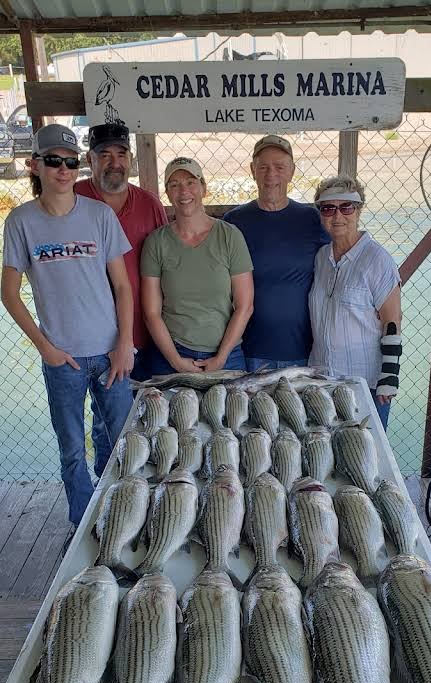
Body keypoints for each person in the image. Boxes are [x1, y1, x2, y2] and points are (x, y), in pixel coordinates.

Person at [1, 124, 134, 526]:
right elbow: (9, 293)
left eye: (71, 162)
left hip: (110, 352)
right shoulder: (21, 222)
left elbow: (123, 286)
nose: (63, 169)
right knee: (72, 448)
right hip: (63, 360)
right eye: (54, 161)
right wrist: (46, 348)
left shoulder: (100, 215)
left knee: (121, 444)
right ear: (34, 165)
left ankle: (121, 518)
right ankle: (83, 525)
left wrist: (124, 342)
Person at [140, 157, 254, 376]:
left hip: (226, 354)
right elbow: (151, 313)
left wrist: (221, 357)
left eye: (191, 182)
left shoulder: (229, 236)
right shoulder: (156, 242)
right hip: (172, 352)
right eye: (174, 185)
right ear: (168, 192)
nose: (183, 191)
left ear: (203, 187)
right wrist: (175, 360)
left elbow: (245, 305)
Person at [224, 135, 328, 371]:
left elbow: (342, 266)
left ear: (292, 171)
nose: (271, 175)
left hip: (305, 353)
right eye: (263, 167)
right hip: (248, 352)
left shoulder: (313, 219)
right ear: (252, 170)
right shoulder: (234, 222)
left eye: (280, 167)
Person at [309, 175, 402, 431]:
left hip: (364, 384)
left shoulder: (377, 260)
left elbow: (392, 322)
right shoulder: (320, 258)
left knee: (365, 457)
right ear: (320, 213)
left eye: (346, 207)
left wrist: (389, 377)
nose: (337, 216)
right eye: (328, 208)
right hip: (322, 381)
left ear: (359, 210)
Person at [74, 122, 168, 358]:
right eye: (105, 155)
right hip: (88, 335)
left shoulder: (149, 204)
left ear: (131, 159)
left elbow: (168, 265)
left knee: (148, 394)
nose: (115, 163)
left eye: (121, 154)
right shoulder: (72, 198)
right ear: (89, 159)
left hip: (143, 331)